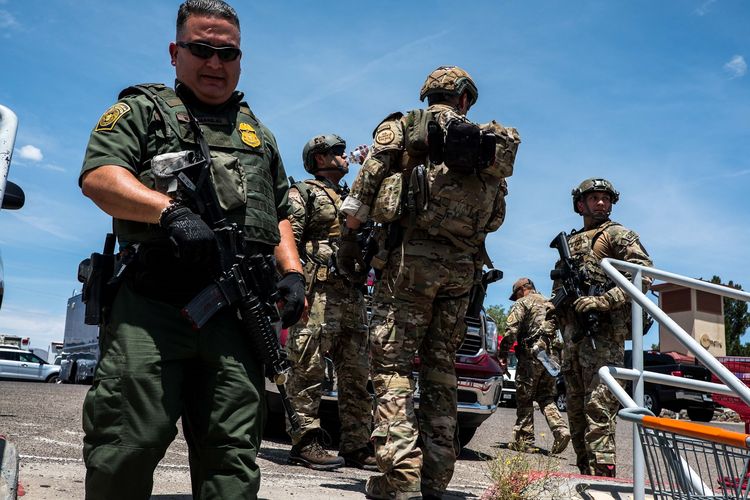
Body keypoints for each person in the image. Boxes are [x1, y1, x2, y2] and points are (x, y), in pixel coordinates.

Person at [78, 1, 305, 498]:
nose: (214, 64)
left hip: (234, 317)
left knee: (233, 458)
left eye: (227, 53)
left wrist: (292, 271)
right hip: (153, 311)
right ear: (175, 52)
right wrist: (169, 212)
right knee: (126, 447)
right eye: (201, 50)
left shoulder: (258, 134)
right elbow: (99, 177)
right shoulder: (142, 111)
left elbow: (282, 209)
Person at [339, 66, 520, 499]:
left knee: (392, 367)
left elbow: (364, 188)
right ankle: (436, 478)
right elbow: (496, 214)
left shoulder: (405, 128)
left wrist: (351, 236)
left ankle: (400, 475)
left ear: (429, 94)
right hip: (462, 270)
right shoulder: (486, 145)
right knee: (441, 369)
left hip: (408, 266)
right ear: (465, 100)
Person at [284, 134, 376, 471]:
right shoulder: (304, 192)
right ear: (319, 159)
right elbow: (288, 238)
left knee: (356, 375)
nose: (344, 155)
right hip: (316, 292)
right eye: (337, 152)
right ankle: (305, 442)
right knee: (307, 368)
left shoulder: (353, 195)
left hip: (351, 293)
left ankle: (357, 445)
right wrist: (292, 284)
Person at [551, 178, 652, 477]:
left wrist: (605, 301)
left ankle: (603, 480)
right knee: (576, 414)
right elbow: (560, 289)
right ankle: (586, 477)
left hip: (602, 339)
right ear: (580, 204)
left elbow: (643, 275)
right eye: (593, 198)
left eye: (606, 198)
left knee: (599, 411)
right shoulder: (570, 243)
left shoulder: (618, 234)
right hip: (572, 340)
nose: (601, 203)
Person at [498, 278, 570, 454]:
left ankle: (525, 440)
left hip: (531, 356)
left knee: (525, 397)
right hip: (551, 358)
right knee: (546, 397)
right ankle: (561, 430)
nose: (515, 299)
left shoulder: (523, 303)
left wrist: (503, 353)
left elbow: (511, 331)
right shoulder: (549, 302)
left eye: (515, 294)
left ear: (522, 289)